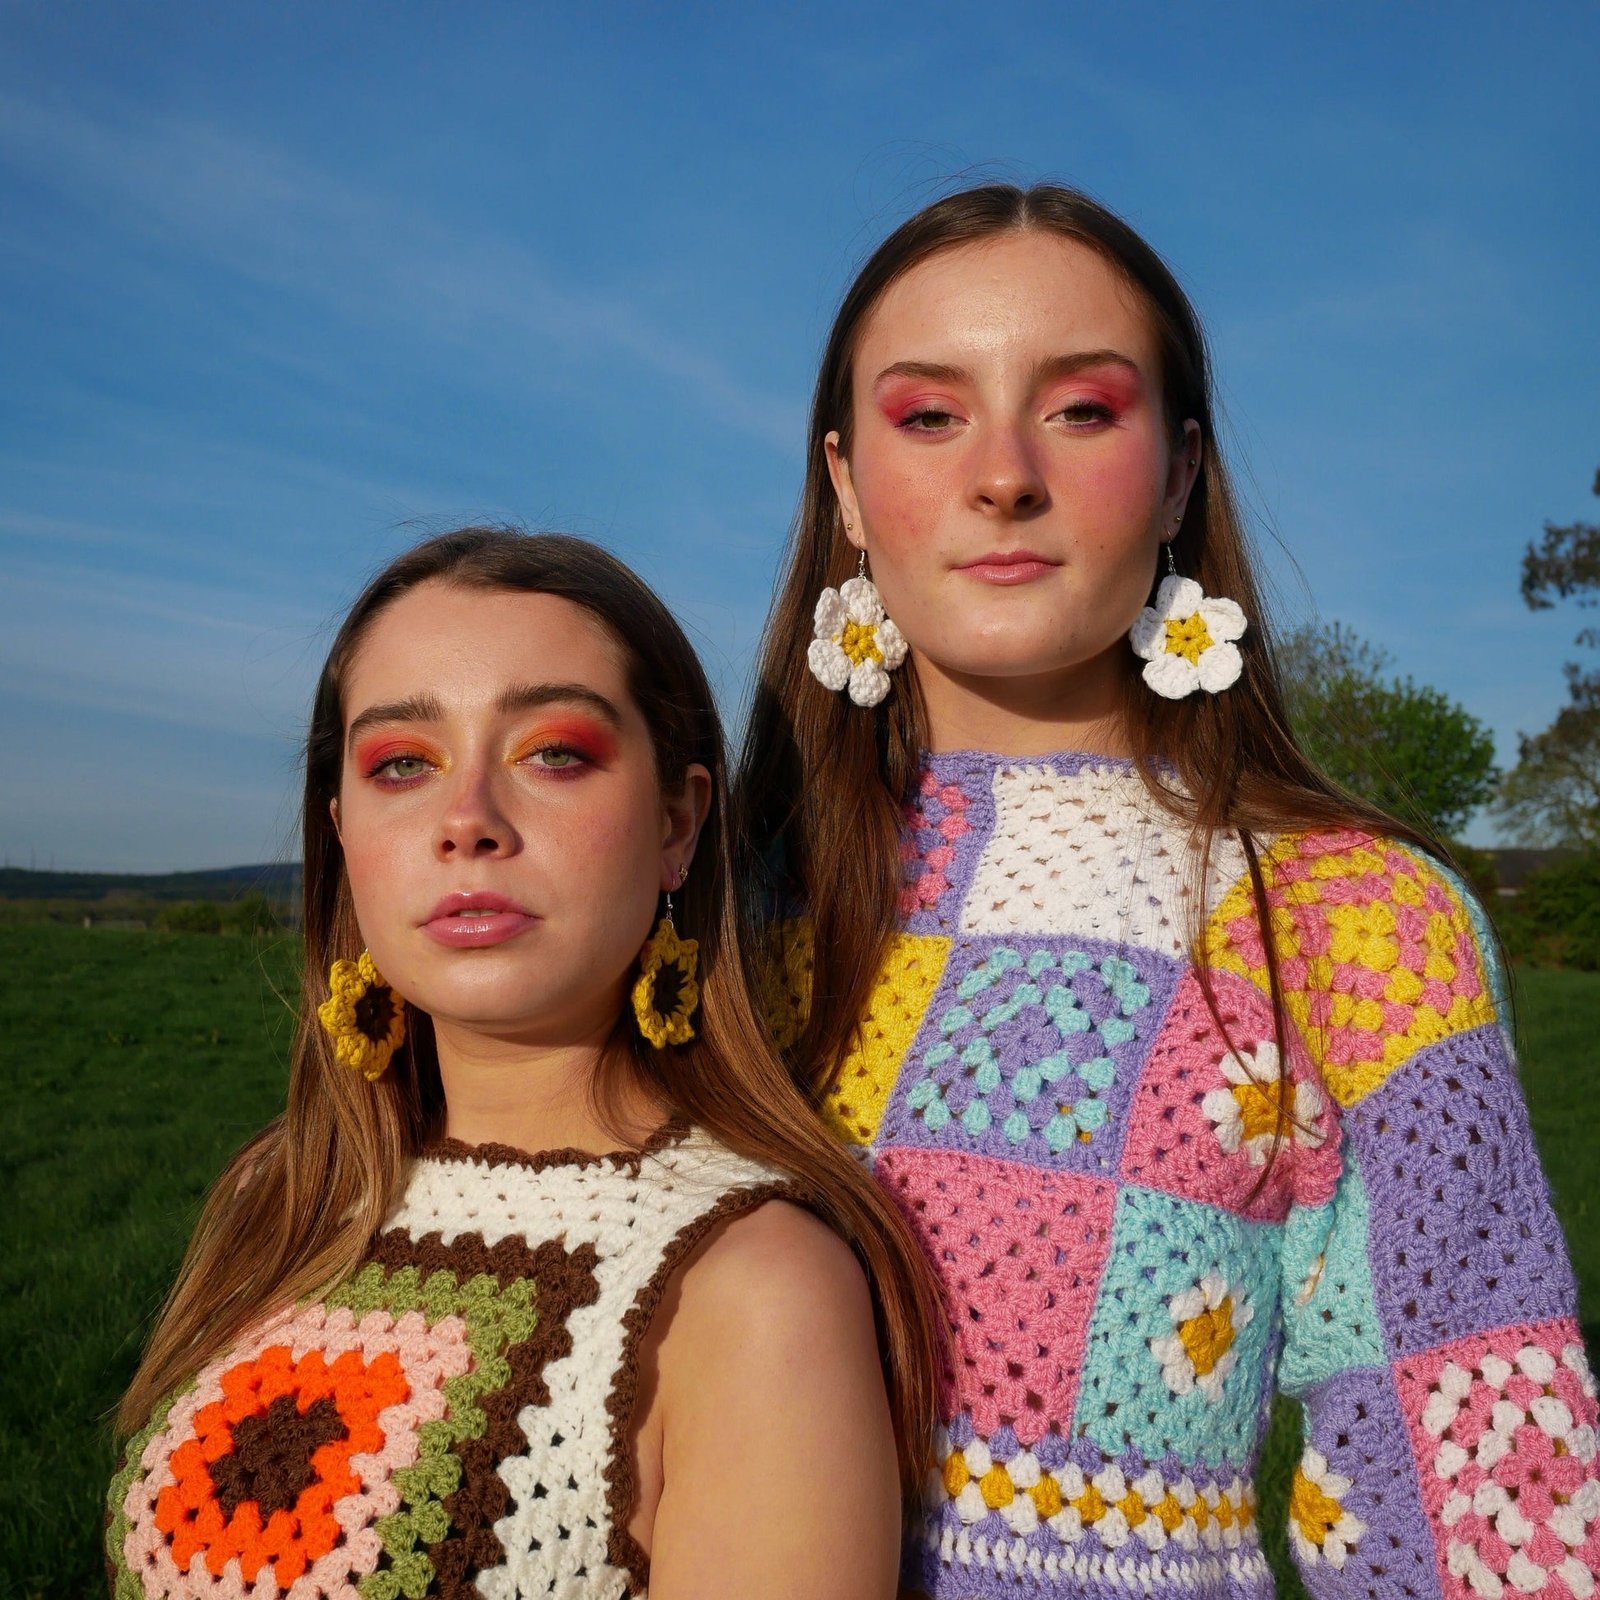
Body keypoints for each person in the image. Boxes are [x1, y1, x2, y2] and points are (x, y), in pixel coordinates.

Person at [737, 185, 1600, 1598]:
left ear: (1183, 470)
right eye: (928, 416)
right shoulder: (715, 917)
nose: (1003, 474)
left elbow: (1481, 1497)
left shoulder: (1355, 921)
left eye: (1081, 409)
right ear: (843, 485)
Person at [107, 527, 940, 1600]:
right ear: (342, 835)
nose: (467, 821)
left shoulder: (751, 1286)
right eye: (402, 764)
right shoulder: (284, 1194)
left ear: (678, 823)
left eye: (552, 753)